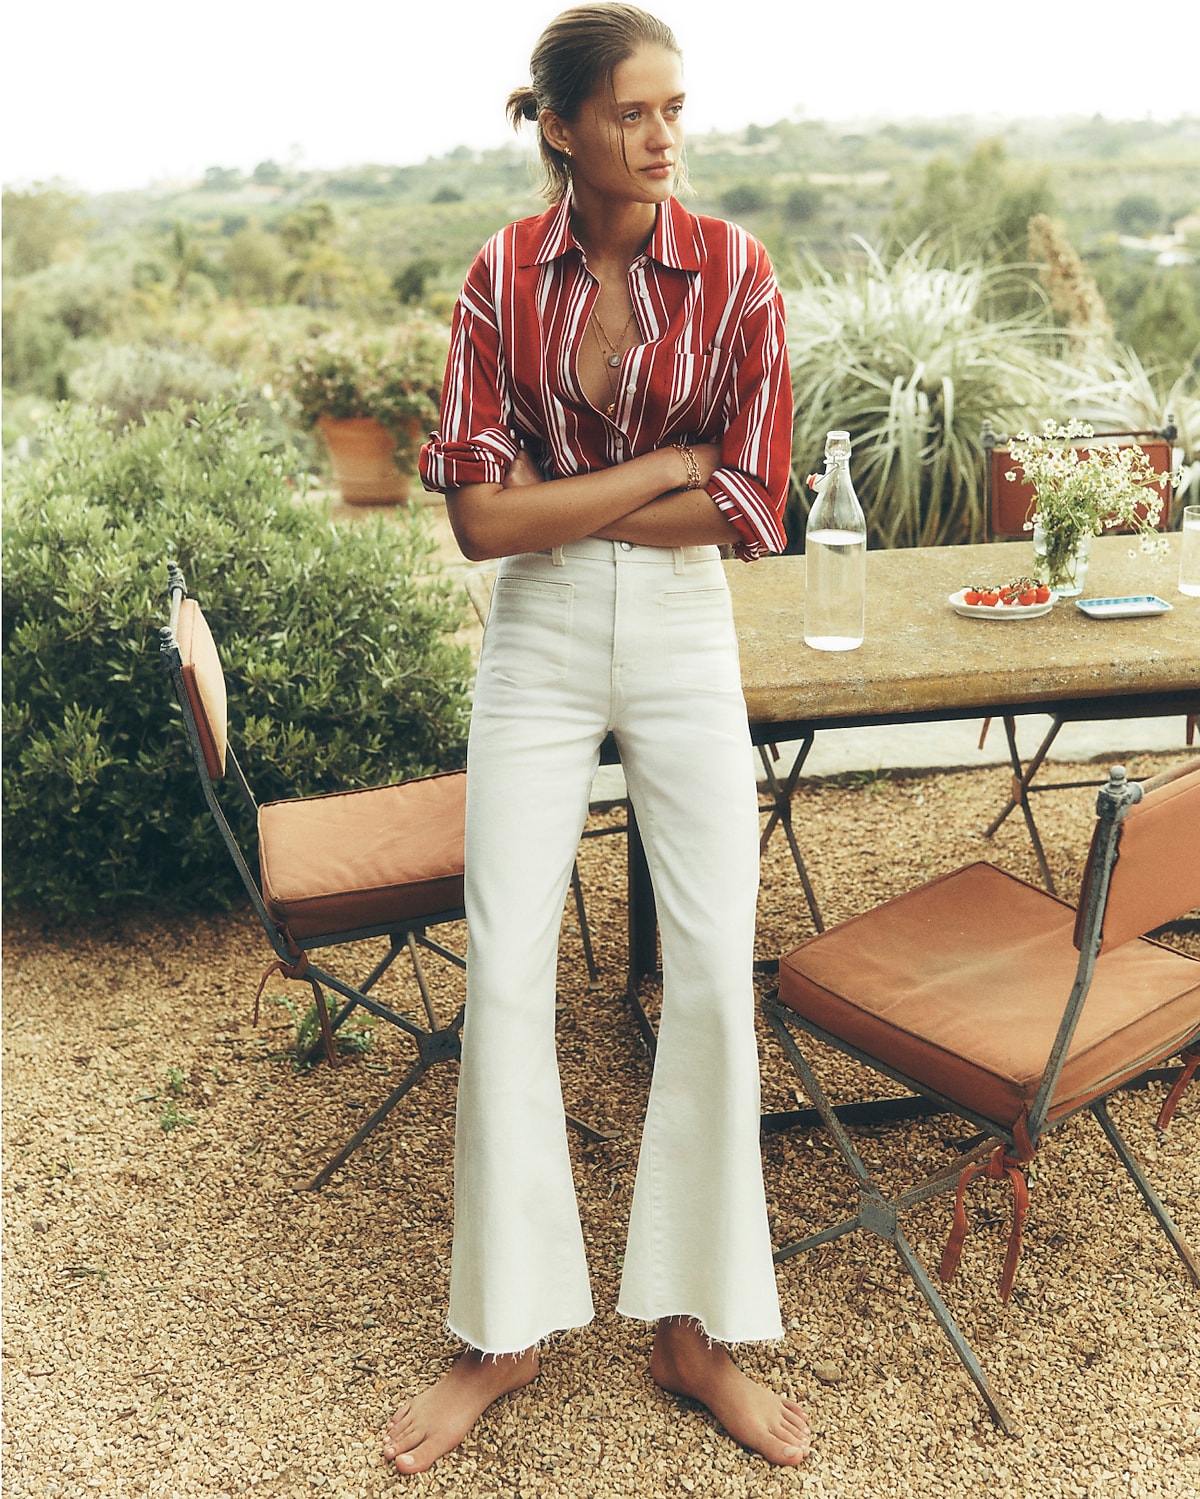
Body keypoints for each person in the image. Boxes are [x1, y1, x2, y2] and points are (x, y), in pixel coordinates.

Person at [384, 2, 809, 1474]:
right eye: (634, 112)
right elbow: (476, 522)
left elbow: (753, 510)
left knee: (708, 980)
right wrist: (657, 467)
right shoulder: (498, 276)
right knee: (504, 971)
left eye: (676, 108)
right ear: (563, 125)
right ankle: (498, 1333)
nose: (666, 134)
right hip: (541, 637)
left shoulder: (737, 269)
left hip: (688, 630)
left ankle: (691, 1332)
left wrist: (613, 493)